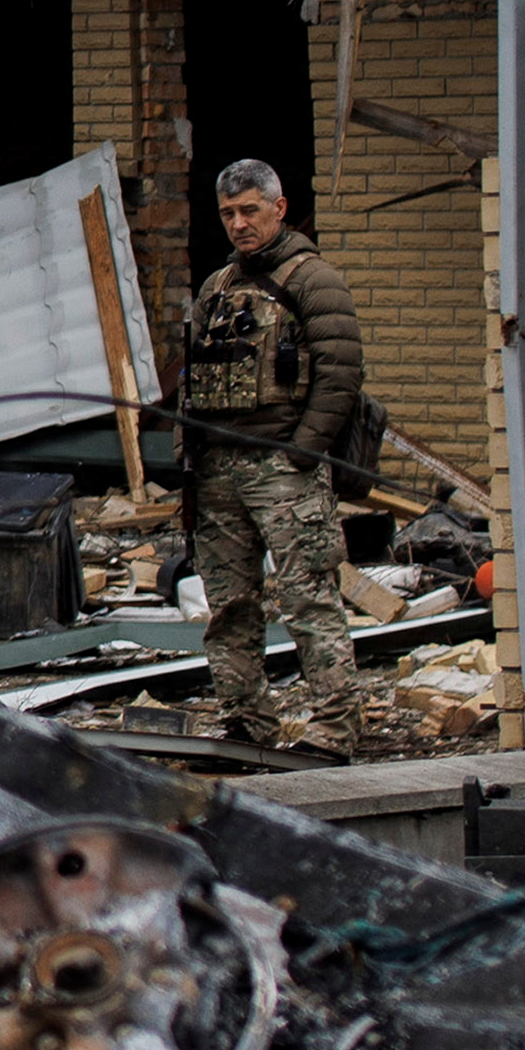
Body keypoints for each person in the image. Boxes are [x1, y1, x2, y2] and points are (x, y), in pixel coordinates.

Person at [172, 156, 372, 751]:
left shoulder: (313, 279)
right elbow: (193, 377)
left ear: (278, 209)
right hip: (217, 472)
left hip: (283, 467)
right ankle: (245, 722)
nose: (238, 224)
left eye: (250, 210)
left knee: (309, 598)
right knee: (229, 607)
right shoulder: (218, 286)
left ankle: (335, 728)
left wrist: (303, 452)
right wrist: (189, 457)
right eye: (229, 213)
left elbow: (341, 376)